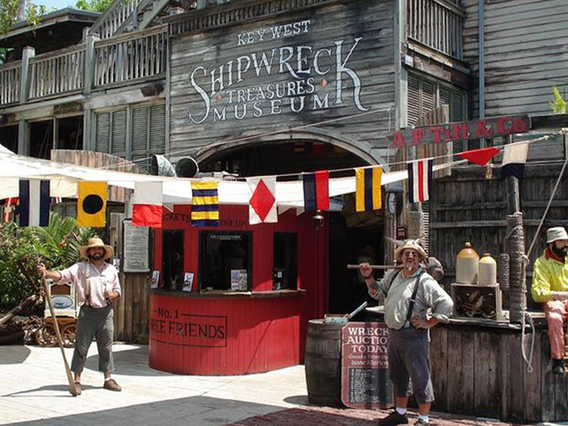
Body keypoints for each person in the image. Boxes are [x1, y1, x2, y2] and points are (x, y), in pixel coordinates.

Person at [359, 239, 453, 426]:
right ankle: (400, 413)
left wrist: (429, 322)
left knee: (420, 377)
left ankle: (423, 419)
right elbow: (378, 293)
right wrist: (368, 277)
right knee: (398, 376)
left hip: (414, 336)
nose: (410, 256)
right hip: (394, 335)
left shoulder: (425, 280)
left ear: (419, 259)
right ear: (400, 257)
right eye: (406, 253)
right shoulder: (394, 275)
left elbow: (447, 303)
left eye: (414, 254)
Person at [37, 237, 122, 395]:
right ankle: (76, 380)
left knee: (106, 347)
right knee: (81, 348)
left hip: (106, 313)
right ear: (89, 252)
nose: (96, 252)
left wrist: (113, 294)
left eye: (99, 249)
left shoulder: (110, 269)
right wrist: (46, 273)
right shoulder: (80, 268)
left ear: (103, 252)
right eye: (93, 249)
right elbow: (62, 276)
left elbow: (118, 290)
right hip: (87, 312)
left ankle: (107, 379)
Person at [531, 227, 568, 375]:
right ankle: (558, 360)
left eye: (567, 240)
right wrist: (560, 295)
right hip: (555, 300)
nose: (566, 244)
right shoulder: (541, 263)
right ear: (552, 244)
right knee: (554, 317)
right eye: (562, 241)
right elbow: (537, 293)